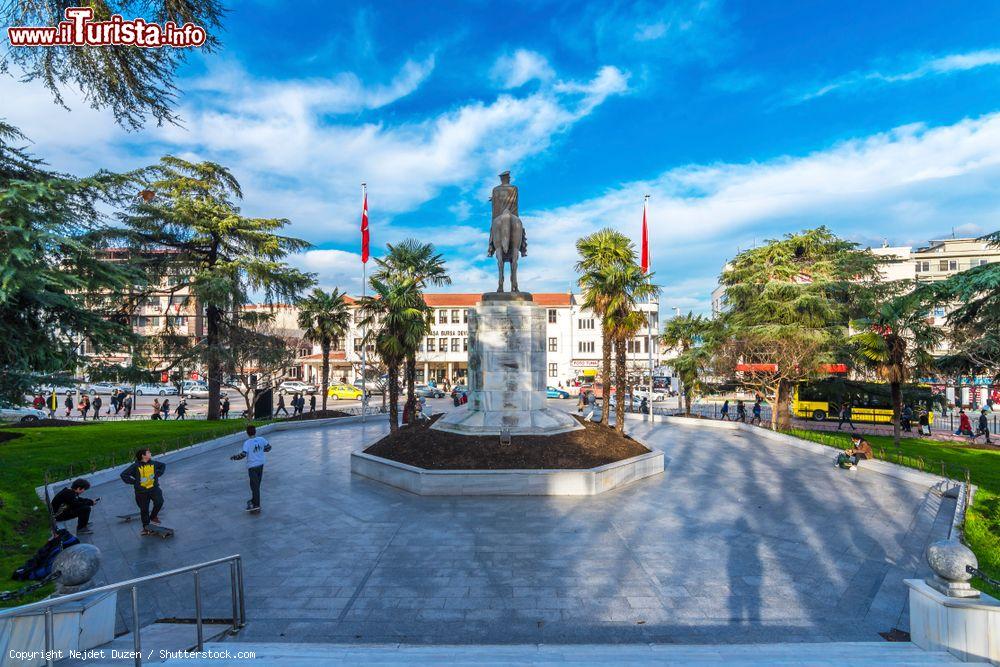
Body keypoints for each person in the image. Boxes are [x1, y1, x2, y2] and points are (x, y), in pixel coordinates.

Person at [120, 448, 166, 534]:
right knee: (144, 510)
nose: (150, 453)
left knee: (159, 502)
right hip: (141, 492)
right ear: (143, 456)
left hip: (154, 489)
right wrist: (135, 482)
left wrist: (158, 474)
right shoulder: (135, 466)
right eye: (148, 452)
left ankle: (153, 516)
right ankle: (146, 527)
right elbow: (124, 475)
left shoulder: (153, 463)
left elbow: (163, 465)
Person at [231, 424, 271, 511]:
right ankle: (253, 501)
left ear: (247, 433)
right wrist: (260, 451)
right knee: (256, 485)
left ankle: (256, 505)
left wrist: (234, 457)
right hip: (260, 465)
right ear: (255, 431)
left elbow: (243, 455)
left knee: (254, 486)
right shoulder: (261, 439)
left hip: (252, 467)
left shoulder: (247, 443)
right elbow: (269, 448)